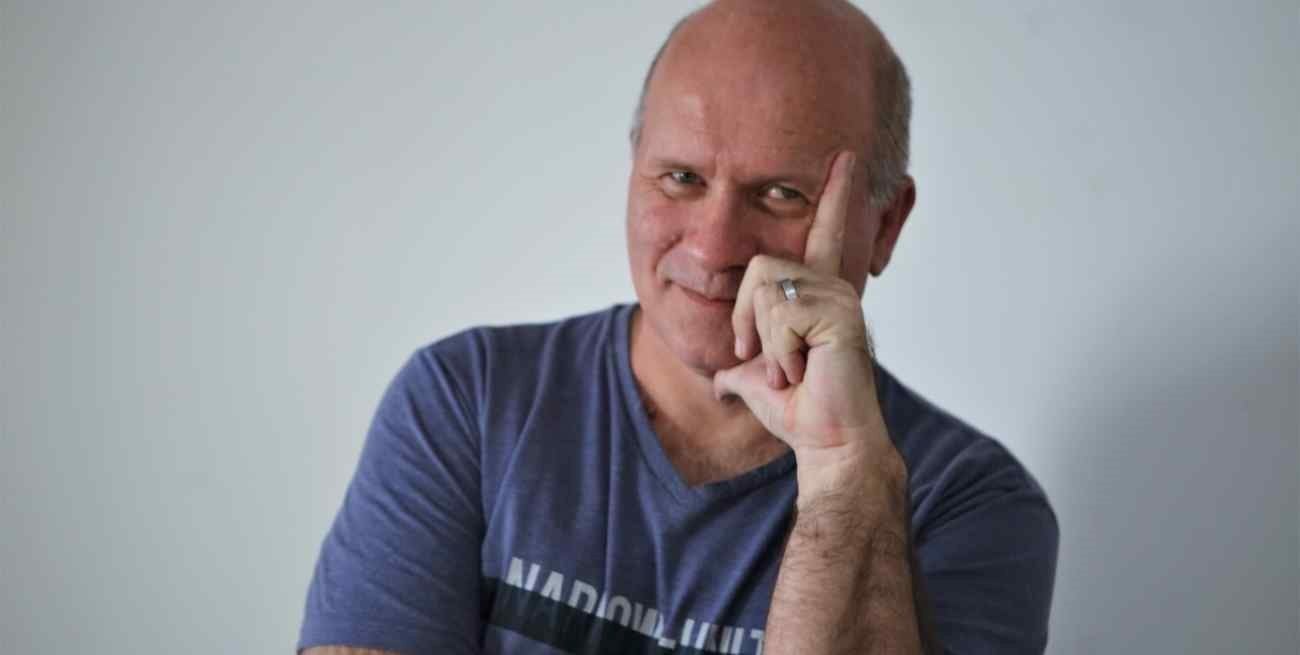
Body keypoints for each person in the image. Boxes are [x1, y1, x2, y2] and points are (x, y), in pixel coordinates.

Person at [298, 0, 1059, 653]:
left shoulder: (972, 505)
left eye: (782, 194)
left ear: (885, 225)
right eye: (682, 178)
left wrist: (842, 474)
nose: (714, 247)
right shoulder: (467, 401)